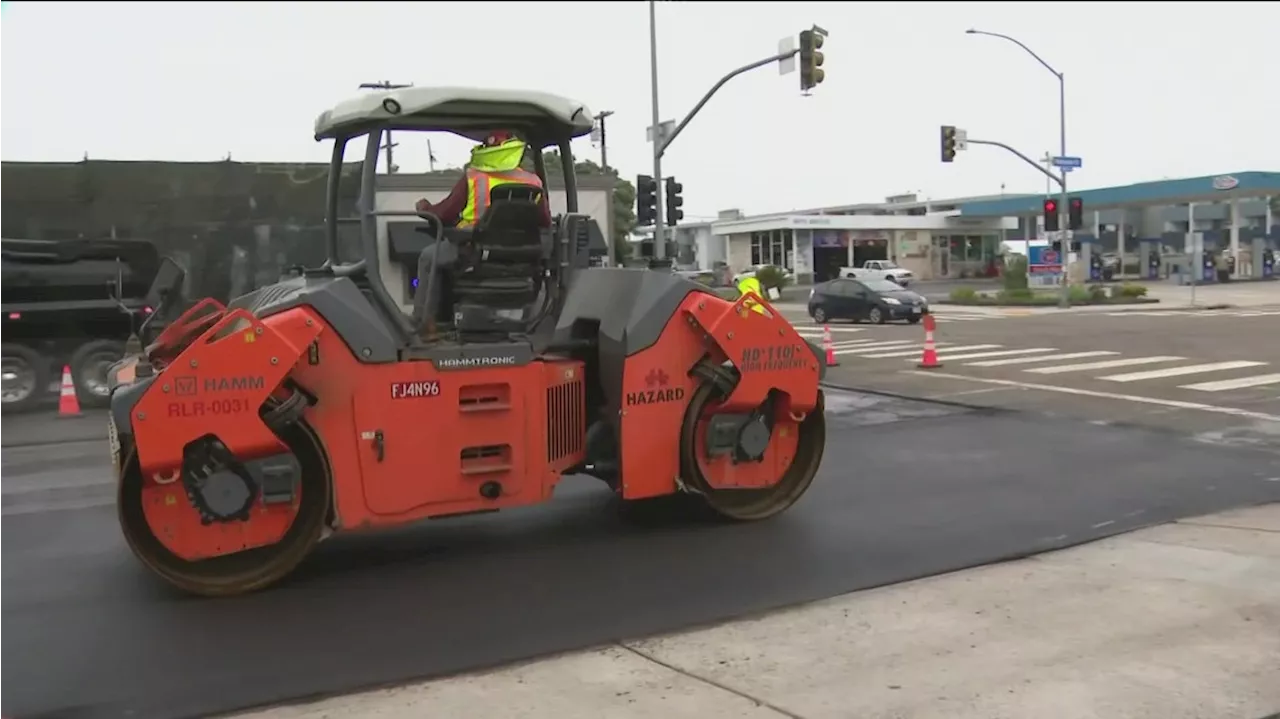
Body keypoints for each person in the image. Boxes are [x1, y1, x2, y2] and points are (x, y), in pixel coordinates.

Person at [414, 130, 552, 229]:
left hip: (472, 250)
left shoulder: (473, 177)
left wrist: (425, 208)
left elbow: (444, 214)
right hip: (525, 253)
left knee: (428, 257)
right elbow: (545, 221)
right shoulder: (534, 182)